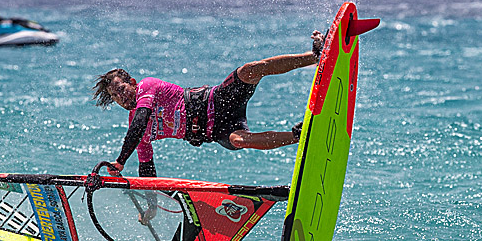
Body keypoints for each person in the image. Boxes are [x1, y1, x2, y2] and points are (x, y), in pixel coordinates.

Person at [92, 30, 329, 215]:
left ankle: (314, 57)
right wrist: (152, 206)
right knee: (239, 140)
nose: (121, 97)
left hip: (214, 100)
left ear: (132, 82)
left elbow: (141, 120)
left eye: (121, 89)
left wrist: (121, 161)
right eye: (115, 96)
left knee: (247, 71)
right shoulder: (137, 129)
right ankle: (299, 135)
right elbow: (147, 171)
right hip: (212, 130)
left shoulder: (147, 87)